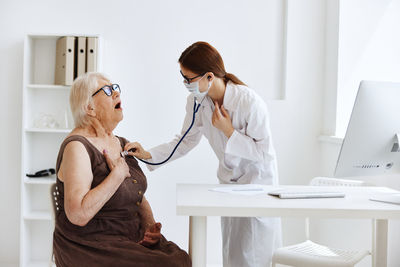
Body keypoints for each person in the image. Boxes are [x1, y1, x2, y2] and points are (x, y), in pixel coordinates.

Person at [124, 41, 282, 267]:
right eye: (183, 77)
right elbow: (185, 140)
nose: (186, 84)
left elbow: (263, 153)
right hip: (229, 186)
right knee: (233, 255)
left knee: (254, 255)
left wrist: (228, 131)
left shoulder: (248, 101)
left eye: (189, 79)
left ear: (209, 76)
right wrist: (148, 154)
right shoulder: (198, 102)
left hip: (257, 185)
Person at [52, 72, 191, 267]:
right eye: (108, 91)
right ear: (89, 107)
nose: (116, 94)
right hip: (90, 244)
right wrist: (116, 176)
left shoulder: (121, 142)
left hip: (127, 236)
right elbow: (78, 215)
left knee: (179, 257)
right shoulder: (77, 147)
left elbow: (137, 195)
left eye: (115, 88)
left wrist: (149, 227)